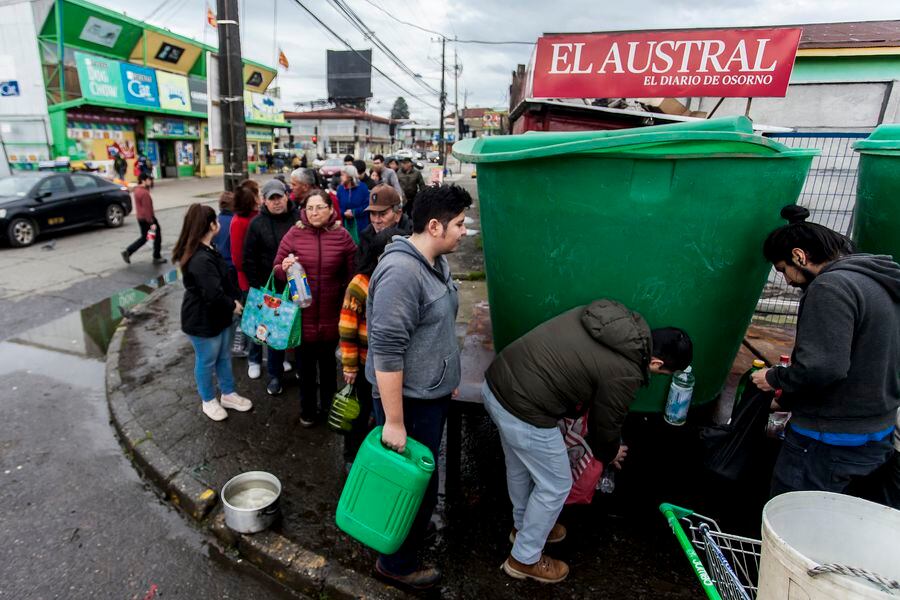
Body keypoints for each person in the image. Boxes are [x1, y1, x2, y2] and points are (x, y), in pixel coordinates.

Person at [483, 301, 692, 583]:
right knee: (556, 484)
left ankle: (525, 529)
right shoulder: (626, 371)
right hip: (525, 409)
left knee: (520, 467)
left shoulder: (611, 318)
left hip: (498, 383)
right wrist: (611, 453)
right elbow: (603, 426)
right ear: (656, 363)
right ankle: (524, 558)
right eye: (662, 373)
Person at [751, 205, 899, 502]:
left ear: (799, 255)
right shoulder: (878, 281)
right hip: (877, 431)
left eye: (782, 270)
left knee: (797, 522)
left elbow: (822, 368)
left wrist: (774, 377)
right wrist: (790, 395)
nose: (787, 281)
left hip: (826, 440)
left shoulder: (830, 287)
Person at [365, 184, 472, 589]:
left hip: (430, 395)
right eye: (460, 225)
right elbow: (387, 352)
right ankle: (396, 565)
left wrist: (448, 379)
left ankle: (406, 536)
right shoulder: (401, 274)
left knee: (422, 484)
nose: (465, 232)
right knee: (411, 487)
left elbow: (435, 332)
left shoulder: (434, 260)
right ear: (433, 225)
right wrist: (394, 422)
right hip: (407, 404)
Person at [274, 189, 357, 426]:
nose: (314, 212)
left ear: (331, 209)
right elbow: (277, 269)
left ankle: (329, 410)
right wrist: (285, 266)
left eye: (320, 207)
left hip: (333, 316)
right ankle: (307, 411)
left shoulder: (342, 236)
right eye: (310, 208)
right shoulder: (294, 234)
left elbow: (353, 274)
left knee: (329, 369)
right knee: (306, 370)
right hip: (302, 318)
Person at [173, 204, 252, 421]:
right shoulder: (199, 258)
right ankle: (208, 400)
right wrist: (234, 305)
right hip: (202, 320)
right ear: (211, 225)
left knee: (224, 357)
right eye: (216, 220)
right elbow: (212, 294)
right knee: (207, 360)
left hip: (220, 317)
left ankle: (228, 394)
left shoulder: (209, 248)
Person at [339, 230, 393, 467]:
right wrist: (349, 366)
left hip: (387, 366)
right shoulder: (360, 283)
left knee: (380, 411)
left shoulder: (397, 281)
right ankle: (351, 455)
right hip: (362, 364)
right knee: (357, 412)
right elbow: (347, 326)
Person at [242, 180, 299, 395]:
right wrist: (259, 290)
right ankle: (274, 376)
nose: (276, 202)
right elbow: (249, 259)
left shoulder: (298, 219)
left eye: (279, 197)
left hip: (297, 286)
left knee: (298, 331)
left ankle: (301, 369)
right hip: (271, 290)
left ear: (287, 196)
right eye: (271, 198)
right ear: (264, 201)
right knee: (273, 336)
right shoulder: (257, 224)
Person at [229, 182, 260, 363]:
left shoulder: (256, 217)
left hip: (258, 276)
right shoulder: (240, 222)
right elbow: (238, 259)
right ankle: (253, 358)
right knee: (253, 320)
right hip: (248, 279)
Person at [357, 184, 412, 261]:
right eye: (373, 213)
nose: (376, 220)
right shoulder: (366, 236)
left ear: (398, 214)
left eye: (382, 214)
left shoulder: (411, 235)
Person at [121, 173, 166, 265]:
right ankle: (156, 257)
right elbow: (147, 208)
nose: (150, 181)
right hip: (148, 219)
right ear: (143, 180)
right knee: (157, 236)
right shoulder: (144, 193)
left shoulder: (137, 190)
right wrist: (151, 221)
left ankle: (128, 251)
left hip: (141, 218)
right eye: (149, 179)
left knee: (145, 237)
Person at [337, 165, 371, 236]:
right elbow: (337, 206)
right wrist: (344, 213)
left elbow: (367, 205)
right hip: (345, 225)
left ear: (350, 176)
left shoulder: (362, 187)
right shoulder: (340, 189)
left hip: (360, 225)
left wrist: (354, 212)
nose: (341, 177)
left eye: (343, 175)